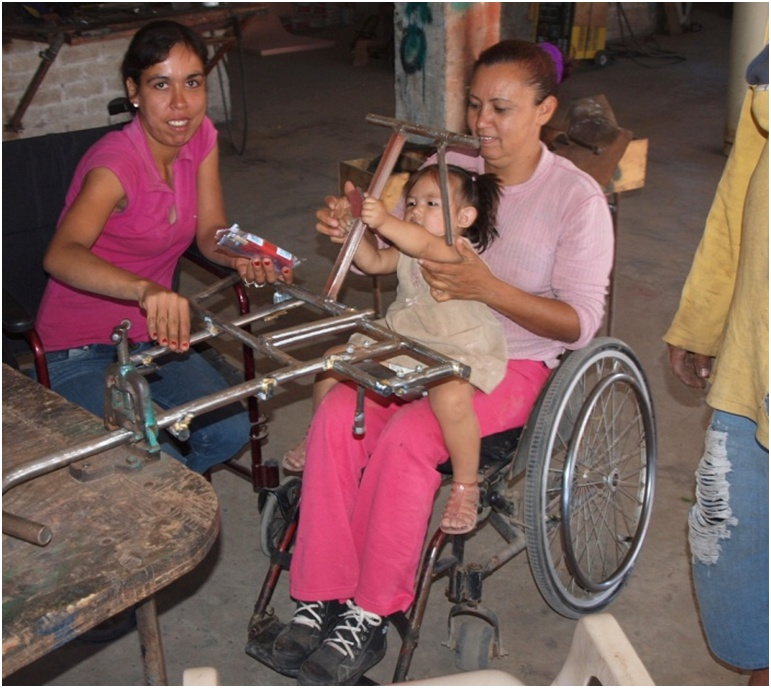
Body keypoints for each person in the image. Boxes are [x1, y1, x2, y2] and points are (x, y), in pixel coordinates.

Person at [272, 39, 614, 686]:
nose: (480, 123)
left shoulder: (575, 201)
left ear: (545, 110)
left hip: (506, 362)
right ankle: (319, 594)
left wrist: (489, 290)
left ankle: (368, 612)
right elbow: (394, 244)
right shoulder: (450, 163)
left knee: (406, 437)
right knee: (338, 409)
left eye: (502, 109)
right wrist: (354, 228)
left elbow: (579, 322)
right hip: (421, 339)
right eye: (474, 105)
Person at [35, 20, 290, 474]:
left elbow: (209, 232)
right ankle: (140, 489)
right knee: (157, 465)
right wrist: (146, 291)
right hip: (79, 352)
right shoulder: (115, 166)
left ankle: (142, 491)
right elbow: (61, 254)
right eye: (161, 84)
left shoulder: (201, 137)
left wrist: (243, 253)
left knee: (229, 431)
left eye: (192, 83)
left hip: (151, 340)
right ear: (134, 90)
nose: (180, 104)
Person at [284, 164, 506, 535]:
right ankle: (316, 435)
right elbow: (374, 262)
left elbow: (420, 243)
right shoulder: (408, 245)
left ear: (465, 218)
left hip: (456, 342)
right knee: (331, 364)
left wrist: (383, 220)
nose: (417, 210)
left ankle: (468, 484)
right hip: (408, 335)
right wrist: (354, 233)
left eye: (432, 203)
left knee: (450, 398)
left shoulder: (454, 249)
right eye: (413, 202)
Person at [663, 39, 768, 687]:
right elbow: (737, 204)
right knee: (734, 563)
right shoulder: (765, 82)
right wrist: (700, 321)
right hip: (751, 373)